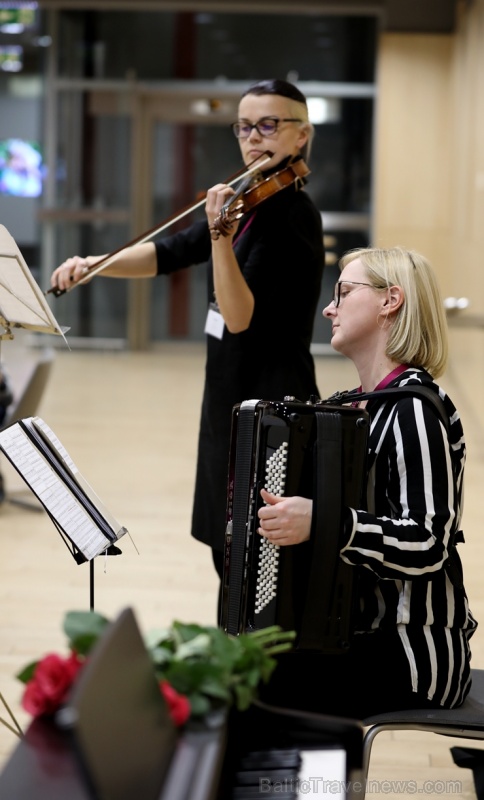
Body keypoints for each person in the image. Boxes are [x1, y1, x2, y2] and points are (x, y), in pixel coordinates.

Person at [50, 79, 325, 589]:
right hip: (228, 396)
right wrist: (94, 264)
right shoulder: (248, 201)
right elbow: (169, 251)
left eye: (269, 125)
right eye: (244, 126)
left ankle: (262, 663)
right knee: (228, 547)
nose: (253, 138)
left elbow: (239, 315)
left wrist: (220, 237)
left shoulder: (292, 217)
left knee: (256, 559)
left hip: (271, 406)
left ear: (301, 134)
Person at [257, 245, 477, 718]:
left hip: (414, 651)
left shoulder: (415, 410)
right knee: (243, 664)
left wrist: (325, 522)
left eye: (343, 292)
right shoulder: (356, 407)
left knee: (253, 685)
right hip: (354, 634)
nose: (328, 307)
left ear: (390, 300)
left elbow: (428, 543)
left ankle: (303, 788)